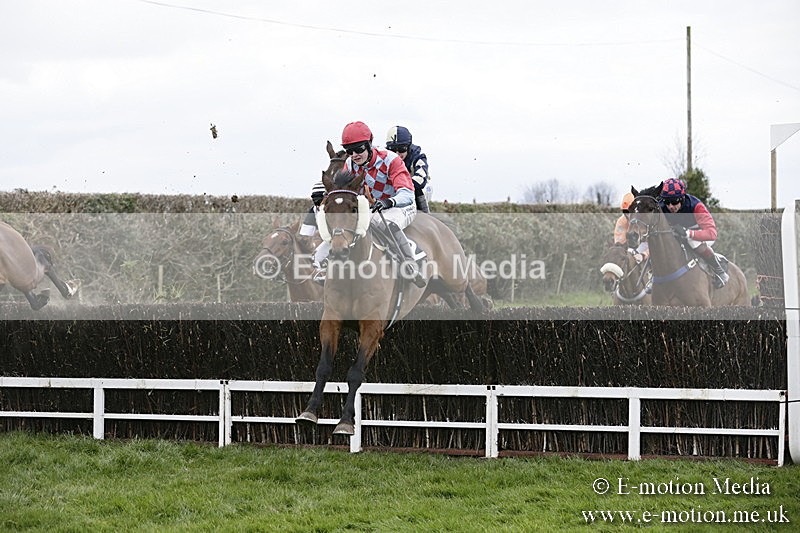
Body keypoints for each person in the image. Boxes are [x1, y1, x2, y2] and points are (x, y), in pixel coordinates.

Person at [312, 121, 425, 287]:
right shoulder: (350, 164)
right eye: (350, 151)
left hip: (400, 206)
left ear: (369, 144)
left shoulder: (391, 160)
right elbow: (343, 192)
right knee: (346, 225)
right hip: (373, 208)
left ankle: (410, 263)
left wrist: (389, 201)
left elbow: (407, 194)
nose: (355, 155)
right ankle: (323, 262)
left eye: (359, 149)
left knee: (384, 223)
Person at [658, 178, 729, 288]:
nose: (671, 206)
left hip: (702, 233)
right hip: (680, 233)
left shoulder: (696, 206)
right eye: (667, 202)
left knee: (692, 241)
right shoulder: (661, 207)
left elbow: (712, 233)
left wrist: (688, 233)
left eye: (674, 201)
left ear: (682, 199)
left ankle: (720, 272)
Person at [385, 126, 430, 213]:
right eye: (393, 150)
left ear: (408, 148)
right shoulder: (384, 157)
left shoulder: (418, 158)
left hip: (416, 191)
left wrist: (400, 184)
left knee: (417, 191)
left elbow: (420, 180)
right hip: (391, 191)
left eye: (402, 149)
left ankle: (426, 215)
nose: (397, 154)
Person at [613, 192, 649, 264]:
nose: (628, 215)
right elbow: (619, 243)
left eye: (630, 212)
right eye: (625, 212)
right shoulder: (622, 221)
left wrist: (643, 255)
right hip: (631, 249)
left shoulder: (646, 220)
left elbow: (655, 244)